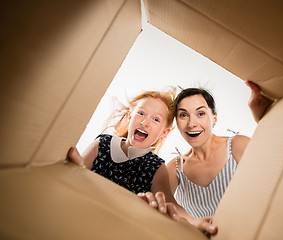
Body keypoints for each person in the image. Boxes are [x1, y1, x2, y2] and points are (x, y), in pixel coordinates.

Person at [67, 89, 217, 235]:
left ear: (163, 133)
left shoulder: (156, 167)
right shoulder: (101, 144)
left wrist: (194, 221)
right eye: (141, 113)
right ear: (130, 117)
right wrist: (75, 166)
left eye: (156, 119)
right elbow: (76, 172)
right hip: (82, 213)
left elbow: (172, 205)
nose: (145, 122)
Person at [141, 81, 272, 219]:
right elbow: (155, 208)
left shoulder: (237, 146)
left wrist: (264, 119)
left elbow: (279, 168)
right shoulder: (175, 168)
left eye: (201, 113)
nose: (192, 124)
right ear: (177, 123)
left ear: (214, 119)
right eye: (183, 115)